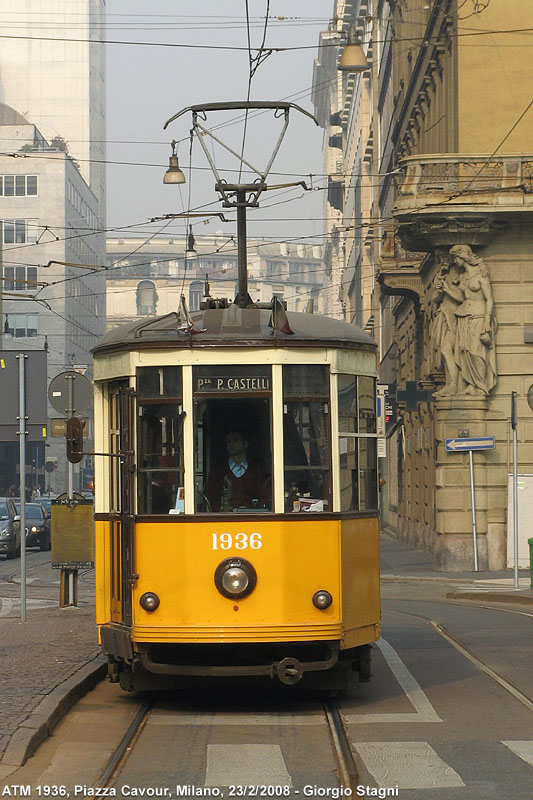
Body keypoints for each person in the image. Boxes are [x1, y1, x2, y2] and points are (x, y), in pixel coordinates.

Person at [449, 244, 497, 396]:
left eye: (456, 257)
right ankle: (471, 384)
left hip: (478, 316)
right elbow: (462, 298)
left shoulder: (481, 274)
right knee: (466, 351)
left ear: (463, 256)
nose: (455, 261)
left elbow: (489, 298)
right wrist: (446, 289)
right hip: (464, 317)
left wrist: (486, 321)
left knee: (477, 352)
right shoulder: (463, 277)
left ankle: (481, 386)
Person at [206, 429, 268, 512]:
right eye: (228, 441)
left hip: (252, 518)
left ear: (245, 444)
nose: (231, 444)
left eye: (236, 440)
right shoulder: (217, 470)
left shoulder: (256, 469)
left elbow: (263, 496)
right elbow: (212, 498)